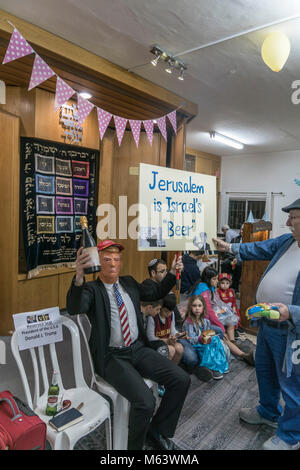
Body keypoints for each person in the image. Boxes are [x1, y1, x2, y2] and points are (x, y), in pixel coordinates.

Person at [66, 240, 190, 451]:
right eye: (106, 259)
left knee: (181, 379)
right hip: (112, 356)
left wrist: (171, 271)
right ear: (98, 262)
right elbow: (75, 307)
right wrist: (78, 276)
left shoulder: (129, 283)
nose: (113, 264)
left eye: (116, 259)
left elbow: (155, 292)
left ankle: (157, 430)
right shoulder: (92, 290)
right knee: (145, 402)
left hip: (137, 348)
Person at [213, 198, 300, 451]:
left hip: (292, 332)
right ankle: (268, 412)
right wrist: (229, 247)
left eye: (292, 217)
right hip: (268, 324)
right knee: (265, 371)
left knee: (293, 385)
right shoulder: (288, 241)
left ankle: (291, 435)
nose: (287, 222)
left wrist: (291, 311)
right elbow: (260, 248)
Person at [191, 267, 255, 366]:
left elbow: (215, 305)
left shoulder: (209, 287)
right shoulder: (203, 291)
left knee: (229, 320)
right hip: (201, 320)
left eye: (217, 278)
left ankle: (233, 342)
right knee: (221, 333)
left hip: (206, 318)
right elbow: (209, 313)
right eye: (214, 279)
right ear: (208, 279)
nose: (217, 281)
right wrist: (220, 326)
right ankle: (243, 355)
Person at [182, 295, 229, 381]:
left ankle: (219, 365)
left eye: (199, 306)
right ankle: (214, 368)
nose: (197, 308)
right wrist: (201, 339)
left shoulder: (205, 321)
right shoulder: (189, 322)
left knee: (215, 339)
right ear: (190, 307)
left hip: (204, 345)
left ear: (203, 307)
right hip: (195, 346)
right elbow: (191, 339)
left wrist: (208, 338)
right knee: (213, 342)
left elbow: (207, 334)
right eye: (194, 306)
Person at [146, 294, 184, 365]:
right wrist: (167, 340)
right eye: (166, 311)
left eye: (170, 311)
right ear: (160, 308)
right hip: (155, 343)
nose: (168, 314)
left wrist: (177, 334)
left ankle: (174, 368)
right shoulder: (153, 317)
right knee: (171, 350)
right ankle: (167, 370)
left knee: (179, 348)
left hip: (167, 340)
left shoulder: (171, 314)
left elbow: (172, 330)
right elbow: (150, 337)